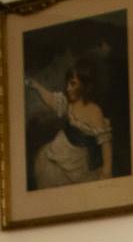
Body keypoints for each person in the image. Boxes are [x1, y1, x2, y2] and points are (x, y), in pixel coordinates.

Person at [27, 58, 113, 188]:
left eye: (73, 84)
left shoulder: (94, 111)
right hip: (61, 148)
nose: (67, 88)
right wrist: (36, 86)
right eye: (67, 83)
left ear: (85, 86)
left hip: (79, 162)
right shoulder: (69, 102)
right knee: (48, 169)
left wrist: (106, 170)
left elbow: (105, 143)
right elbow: (51, 99)